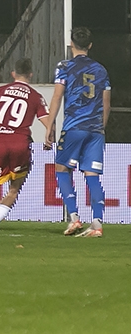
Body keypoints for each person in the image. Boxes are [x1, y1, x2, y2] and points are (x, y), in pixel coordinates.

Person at [44, 27, 111, 238]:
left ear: (71, 44)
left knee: (62, 168)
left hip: (74, 126)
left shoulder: (65, 66)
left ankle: (74, 219)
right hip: (95, 129)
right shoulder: (101, 70)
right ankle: (97, 224)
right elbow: (106, 102)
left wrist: (49, 125)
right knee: (92, 175)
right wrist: (102, 126)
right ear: (90, 45)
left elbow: (57, 97)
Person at [0, 58, 51, 232]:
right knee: (14, 189)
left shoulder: (0, 91)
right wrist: (49, 140)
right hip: (20, 143)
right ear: (31, 75)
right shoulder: (36, 97)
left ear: (13, 74)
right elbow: (49, 124)